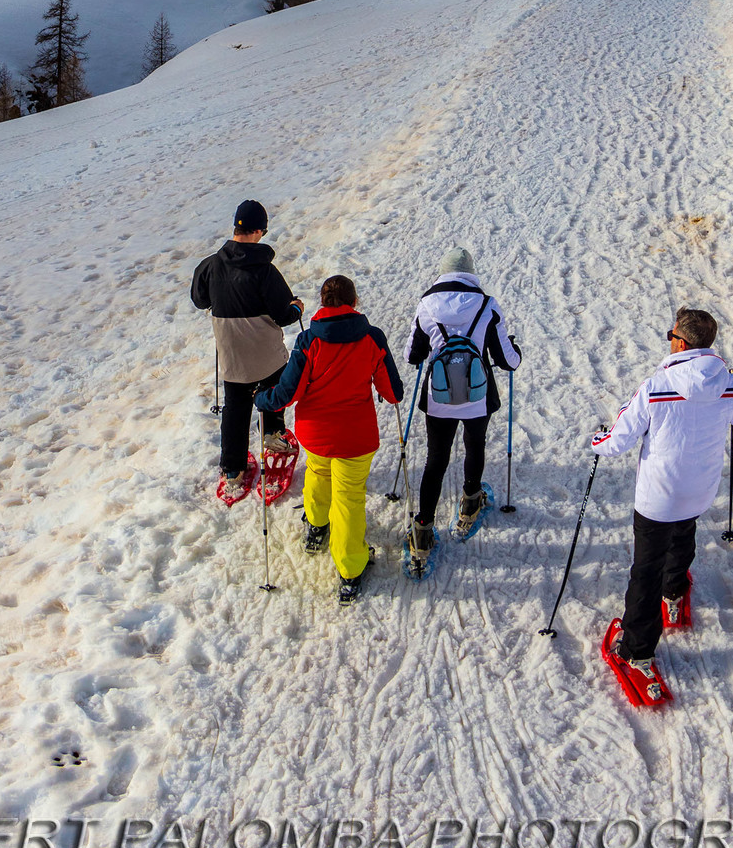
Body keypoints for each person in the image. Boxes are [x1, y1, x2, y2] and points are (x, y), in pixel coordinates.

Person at [591, 306, 733, 680]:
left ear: (680, 343)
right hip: (700, 490)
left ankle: (637, 650)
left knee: (645, 571)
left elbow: (616, 441)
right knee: (684, 533)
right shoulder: (729, 383)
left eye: (671, 336)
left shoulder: (655, 387)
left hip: (659, 496)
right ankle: (675, 592)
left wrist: (596, 441)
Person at [255, 274, 402, 602]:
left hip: (317, 433)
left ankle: (317, 528)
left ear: (323, 302)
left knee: (319, 473)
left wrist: (262, 400)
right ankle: (350, 569)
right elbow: (393, 393)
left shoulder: (309, 342)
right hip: (356, 438)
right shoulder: (373, 338)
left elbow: (287, 393)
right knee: (349, 497)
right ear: (354, 301)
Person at [403, 247, 521, 569]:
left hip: (439, 399)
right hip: (476, 397)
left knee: (435, 459)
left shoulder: (427, 305)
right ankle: (471, 502)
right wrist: (517, 351)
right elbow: (506, 360)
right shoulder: (486, 305)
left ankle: (423, 532)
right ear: (471, 272)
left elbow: (411, 356)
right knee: (474, 447)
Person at [190, 201, 303, 502]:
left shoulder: (211, 265)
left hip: (232, 356)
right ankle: (272, 435)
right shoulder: (265, 271)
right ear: (257, 231)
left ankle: (233, 471)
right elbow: (283, 315)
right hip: (265, 353)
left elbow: (199, 300)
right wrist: (296, 308)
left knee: (236, 408)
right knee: (273, 388)